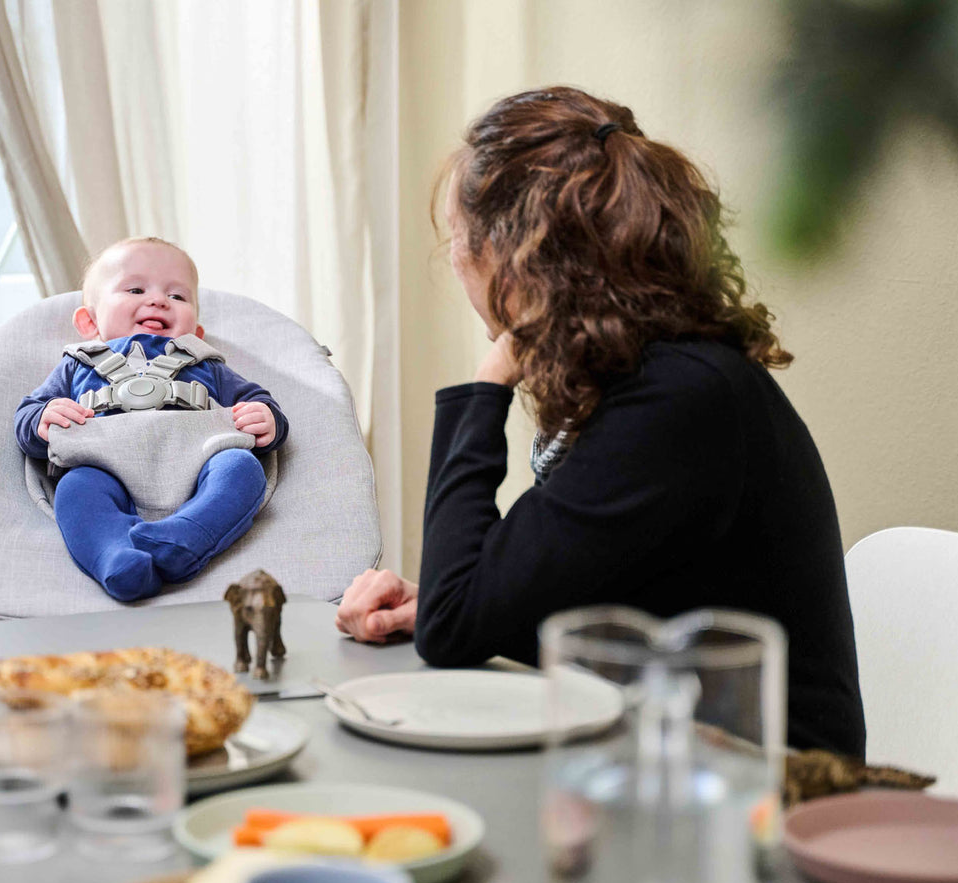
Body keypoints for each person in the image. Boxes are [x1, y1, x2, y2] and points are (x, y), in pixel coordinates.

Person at [335, 87, 865, 756]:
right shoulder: (658, 375)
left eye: (457, 241)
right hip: (675, 750)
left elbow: (452, 627)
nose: (456, 264)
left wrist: (488, 381)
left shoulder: (676, 399)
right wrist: (456, 598)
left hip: (764, 796)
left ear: (509, 253)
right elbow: (598, 603)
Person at [16, 237, 288, 601]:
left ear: (197, 333)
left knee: (241, 468)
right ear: (89, 321)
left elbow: (257, 399)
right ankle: (116, 557)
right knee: (75, 489)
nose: (158, 300)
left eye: (177, 296)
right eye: (135, 289)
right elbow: (28, 416)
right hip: (106, 468)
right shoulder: (77, 364)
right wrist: (41, 419)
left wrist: (266, 418)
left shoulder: (204, 362)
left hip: (198, 463)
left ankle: (187, 537)